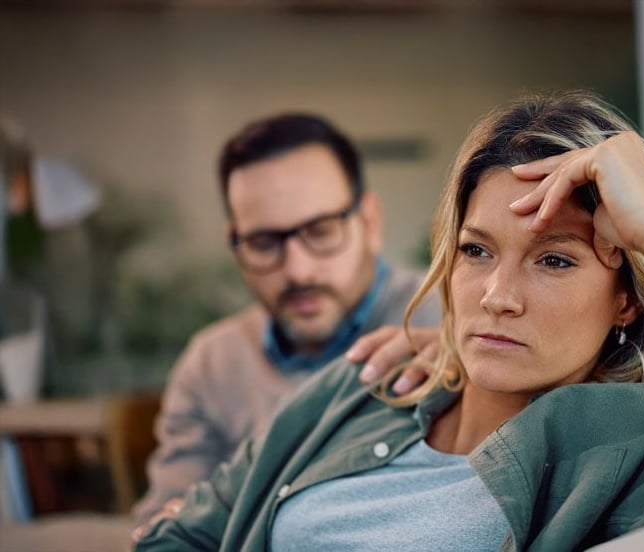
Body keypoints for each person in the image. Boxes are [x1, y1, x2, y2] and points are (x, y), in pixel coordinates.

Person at [134, 91, 644, 551]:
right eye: (476, 250)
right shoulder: (362, 387)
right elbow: (182, 536)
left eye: (556, 260)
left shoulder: (643, 441)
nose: (498, 295)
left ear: (627, 295)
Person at [132, 113, 441, 526]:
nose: (298, 271)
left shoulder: (455, 317)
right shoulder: (211, 364)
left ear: (369, 222)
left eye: (321, 230)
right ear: (235, 244)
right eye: (263, 243)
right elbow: (163, 525)